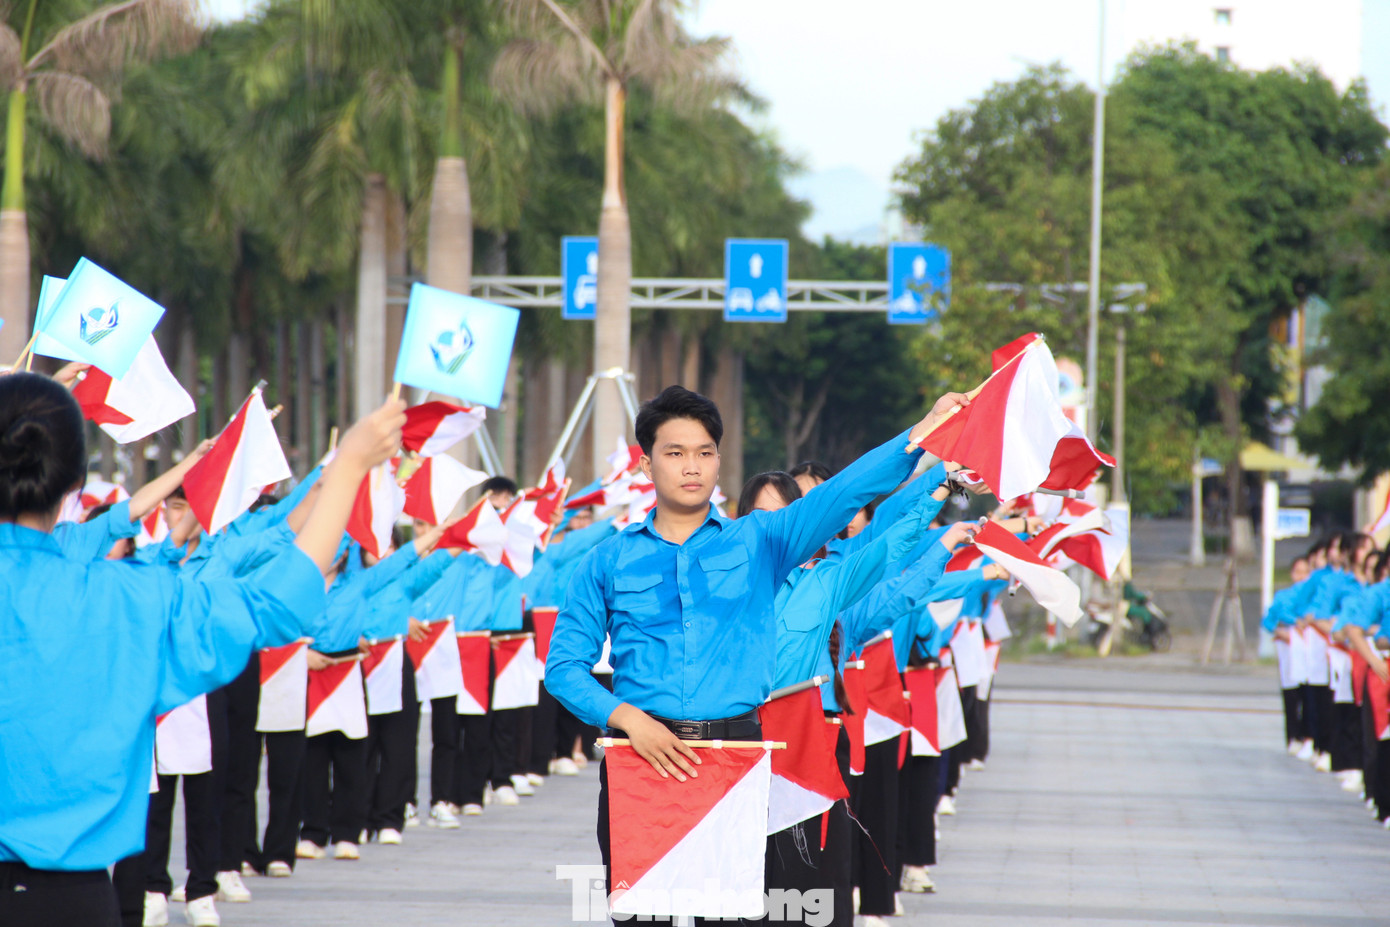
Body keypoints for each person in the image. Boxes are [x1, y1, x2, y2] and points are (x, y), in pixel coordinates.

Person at [546, 384, 967, 920]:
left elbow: (843, 494)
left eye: (704, 453)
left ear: (719, 461)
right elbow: (563, 668)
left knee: (736, 913)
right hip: (641, 760)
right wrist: (626, 718)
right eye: (674, 453)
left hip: (736, 755)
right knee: (643, 914)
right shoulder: (607, 561)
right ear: (647, 464)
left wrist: (922, 431)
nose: (691, 466)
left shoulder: (762, 541)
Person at [0, 371, 404, 927]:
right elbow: (275, 604)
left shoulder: (129, 591)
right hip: (69, 900)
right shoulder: (131, 602)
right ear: (74, 482)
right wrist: (350, 469)